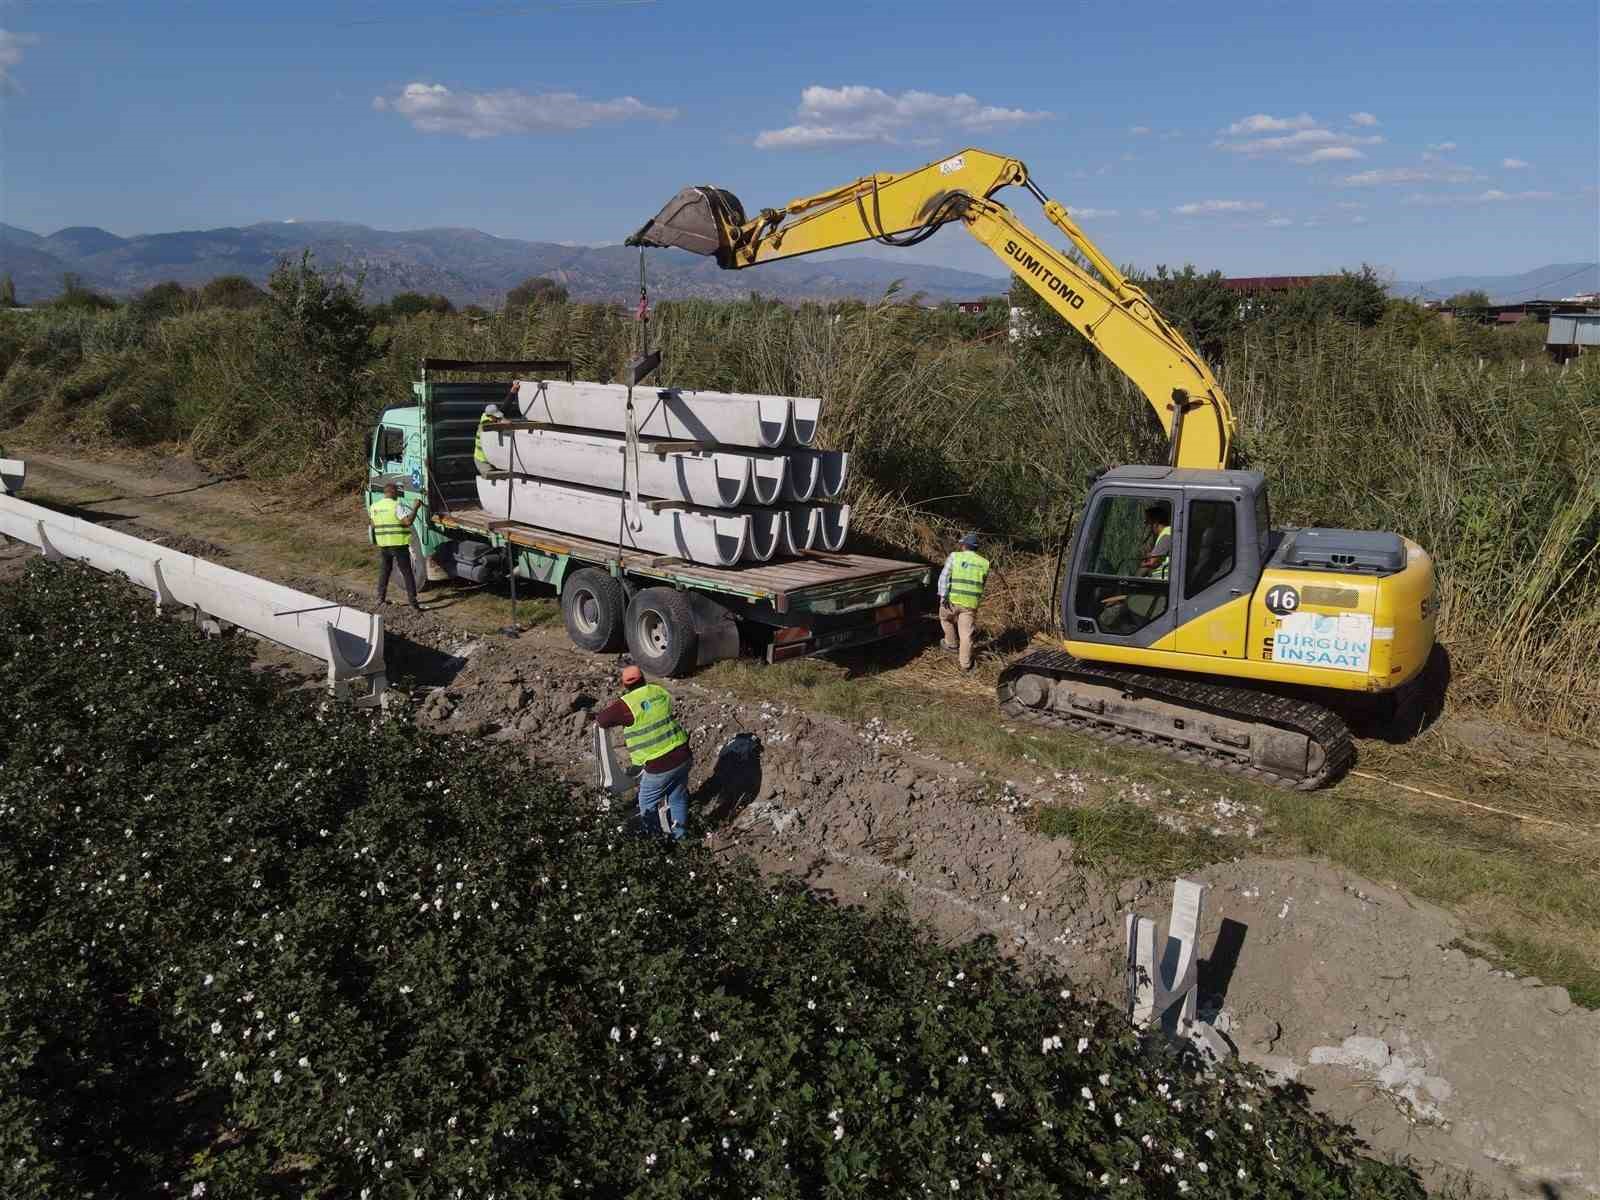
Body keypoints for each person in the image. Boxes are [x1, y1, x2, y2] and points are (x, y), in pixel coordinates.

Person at [594, 664, 692, 840]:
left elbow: (602, 720)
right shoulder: (658, 691)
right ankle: (681, 838)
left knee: (646, 803)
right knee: (677, 796)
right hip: (683, 754)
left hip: (659, 764)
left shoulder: (626, 705)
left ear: (625, 685)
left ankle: (654, 842)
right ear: (643, 678)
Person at [937, 530, 989, 672]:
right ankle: (966, 665)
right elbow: (982, 584)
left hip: (951, 601)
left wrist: (943, 596)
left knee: (945, 618)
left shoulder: (955, 557)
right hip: (970, 604)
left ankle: (951, 644)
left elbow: (944, 577)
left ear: (964, 546)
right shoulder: (985, 563)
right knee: (966, 635)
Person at [368, 481, 421, 610]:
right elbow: (407, 521)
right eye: (397, 492)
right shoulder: (396, 505)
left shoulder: (374, 507)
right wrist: (415, 507)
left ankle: (380, 598)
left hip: (384, 545)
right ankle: (413, 603)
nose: (398, 495)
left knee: (385, 571)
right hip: (398, 544)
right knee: (407, 573)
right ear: (393, 492)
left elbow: (373, 524)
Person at [1140, 504, 1172, 580]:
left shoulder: (1166, 534)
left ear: (1156, 522)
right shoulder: (1167, 533)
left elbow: (1153, 563)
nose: (1147, 525)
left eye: (1147, 521)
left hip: (1162, 581)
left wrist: (1143, 563)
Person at [474, 403, 501, 477]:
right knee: (492, 476)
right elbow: (494, 425)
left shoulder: (489, 417)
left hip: (491, 459)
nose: (497, 418)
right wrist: (505, 421)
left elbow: (504, 409)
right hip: (482, 461)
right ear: (490, 416)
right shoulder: (486, 424)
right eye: (496, 417)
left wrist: (512, 393)